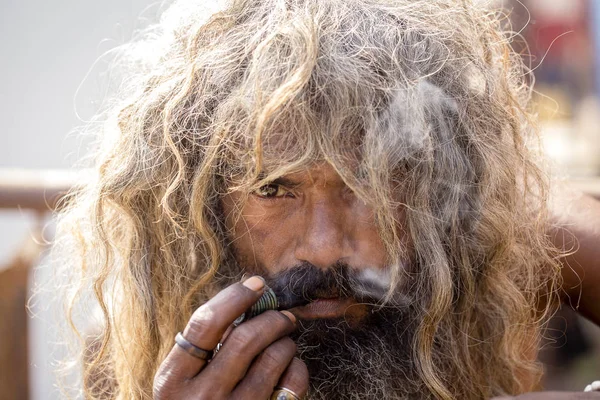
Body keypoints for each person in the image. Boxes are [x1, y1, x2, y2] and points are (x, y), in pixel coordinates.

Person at [49, 0, 600, 399]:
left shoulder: (492, 250)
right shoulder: (141, 360)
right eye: (272, 188)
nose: (321, 247)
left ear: (434, 190)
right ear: (206, 210)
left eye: (371, 188)